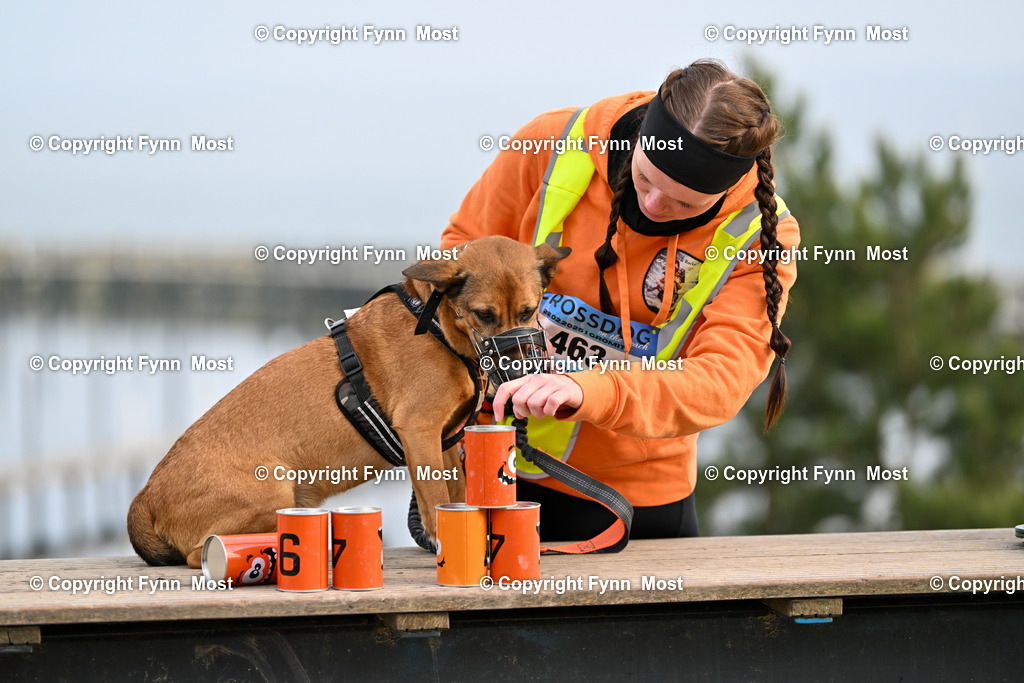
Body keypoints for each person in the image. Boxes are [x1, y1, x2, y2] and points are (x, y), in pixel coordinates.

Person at [439, 59, 800, 542]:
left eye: (684, 204)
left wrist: (590, 390)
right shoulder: (548, 144)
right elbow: (460, 258)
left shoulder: (759, 235)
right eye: (646, 179)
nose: (652, 206)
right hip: (492, 463)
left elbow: (720, 380)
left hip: (634, 499)